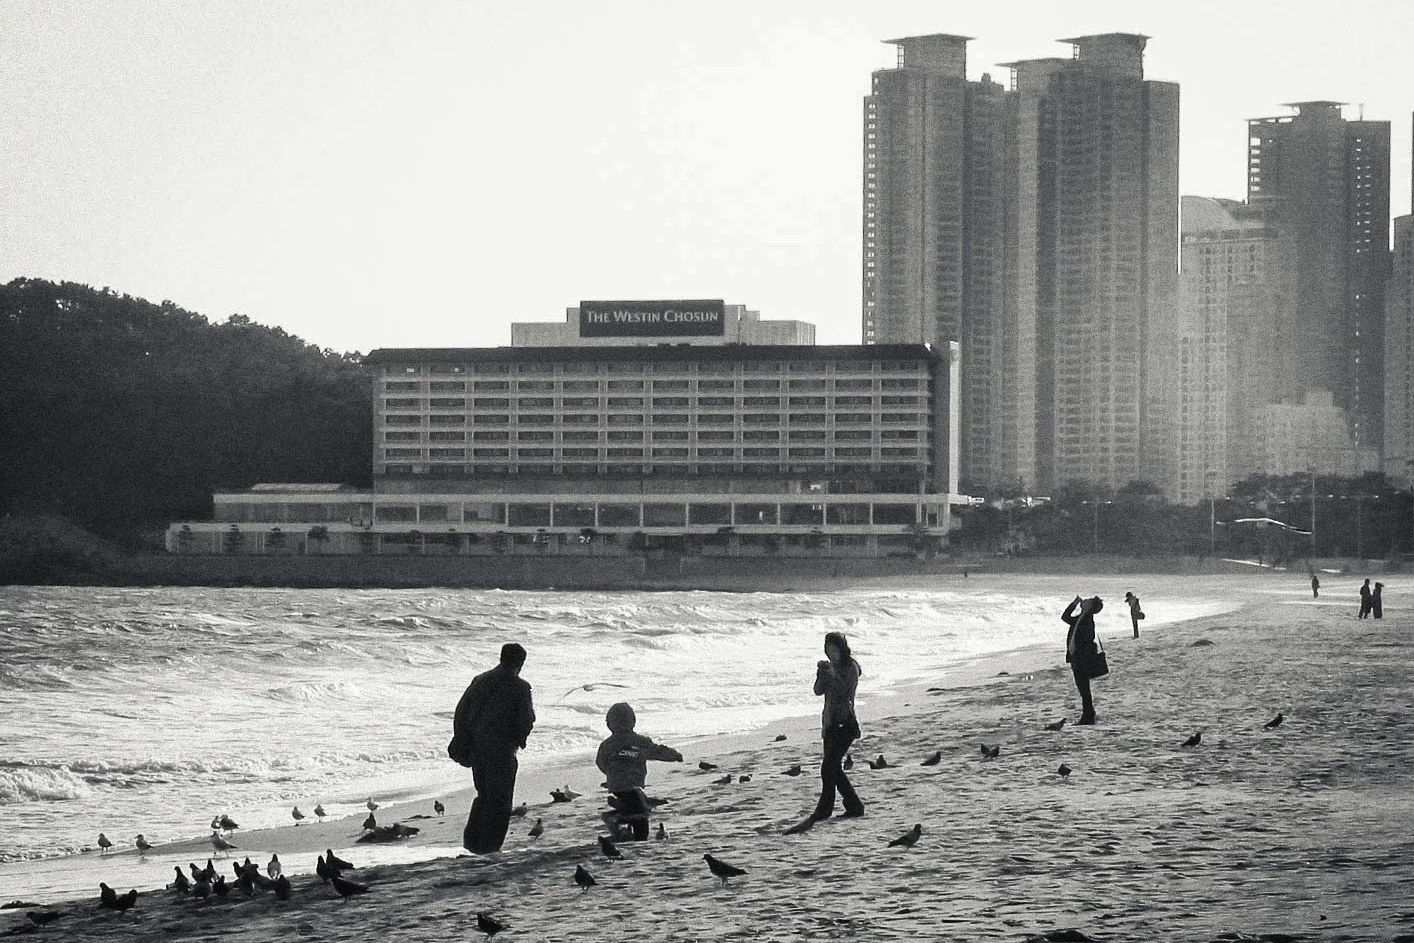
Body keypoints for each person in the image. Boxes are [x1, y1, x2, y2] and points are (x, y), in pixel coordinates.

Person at [453, 643, 535, 854]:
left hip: (478, 749)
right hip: (502, 749)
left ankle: (472, 843)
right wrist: (520, 740)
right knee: (500, 801)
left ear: (501, 658)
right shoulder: (521, 687)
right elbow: (526, 719)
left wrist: (464, 742)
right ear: (520, 663)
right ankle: (490, 847)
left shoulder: (479, 680)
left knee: (484, 795)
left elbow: (461, 712)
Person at [595, 702, 682, 840]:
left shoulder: (606, 745)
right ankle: (615, 819)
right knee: (642, 812)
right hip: (632, 784)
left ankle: (621, 819)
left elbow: (600, 762)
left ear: (609, 724)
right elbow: (657, 752)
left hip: (616, 785)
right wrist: (675, 755)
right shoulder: (640, 741)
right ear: (633, 721)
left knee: (634, 807)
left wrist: (611, 774)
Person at [809, 631, 864, 822]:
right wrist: (821, 674)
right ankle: (854, 805)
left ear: (842, 649)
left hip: (846, 722)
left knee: (828, 767)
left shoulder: (850, 667)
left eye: (834, 650)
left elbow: (847, 693)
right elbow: (817, 691)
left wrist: (834, 675)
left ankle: (824, 810)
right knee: (833, 768)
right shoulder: (830, 667)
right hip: (830, 723)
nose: (832, 654)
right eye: (828, 651)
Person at [1062, 595, 1103, 725]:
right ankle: (1089, 713)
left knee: (1084, 688)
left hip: (1081, 659)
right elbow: (1065, 617)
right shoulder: (1081, 618)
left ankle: (1088, 716)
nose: (1084, 600)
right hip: (1077, 658)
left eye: (1088, 601)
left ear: (1090, 606)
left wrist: (1079, 655)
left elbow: (1087, 640)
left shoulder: (1087, 620)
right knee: (1082, 688)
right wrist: (1074, 603)